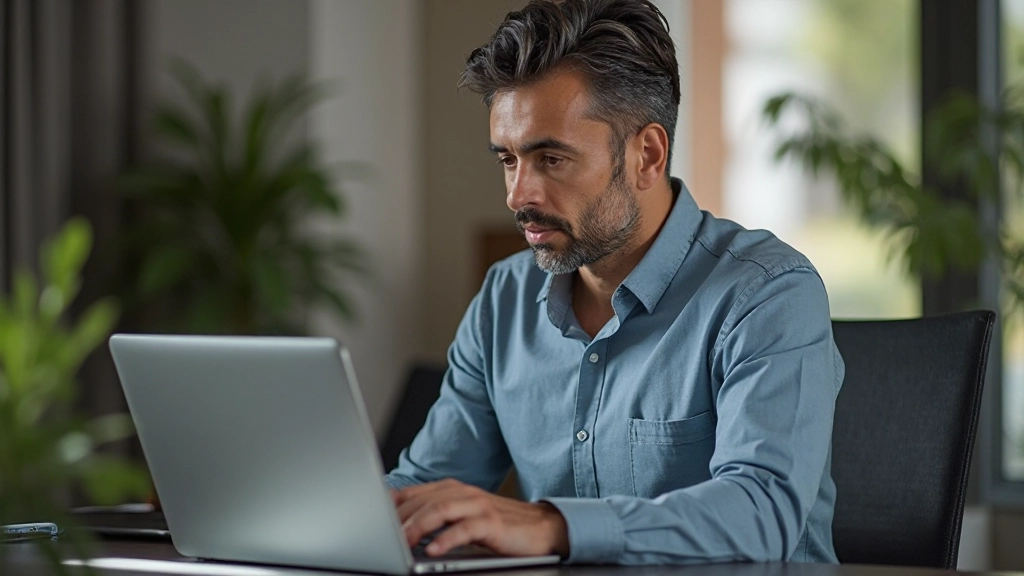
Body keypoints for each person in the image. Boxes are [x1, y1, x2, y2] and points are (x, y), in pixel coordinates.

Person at [385, 0, 844, 565]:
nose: (518, 195)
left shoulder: (767, 293)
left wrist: (552, 526)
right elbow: (427, 486)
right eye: (508, 159)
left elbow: (761, 511)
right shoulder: (504, 299)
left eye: (551, 159)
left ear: (646, 155)